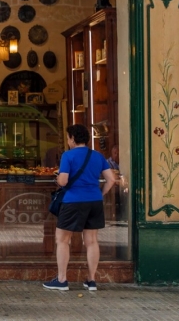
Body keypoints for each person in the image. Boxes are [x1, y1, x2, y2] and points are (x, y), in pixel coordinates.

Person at [43, 124, 116, 292]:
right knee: (91, 241)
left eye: (68, 138)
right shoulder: (98, 156)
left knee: (62, 240)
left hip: (73, 201)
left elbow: (62, 181)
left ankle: (62, 280)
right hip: (94, 201)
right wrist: (101, 194)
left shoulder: (68, 156)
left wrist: (58, 178)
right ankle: (91, 280)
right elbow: (111, 180)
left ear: (73, 139)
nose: (68, 141)